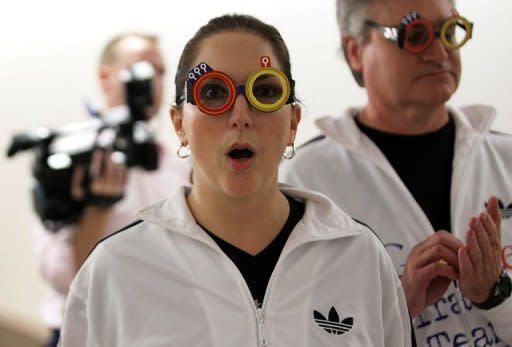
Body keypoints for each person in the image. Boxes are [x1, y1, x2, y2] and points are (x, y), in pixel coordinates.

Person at [58, 14, 411, 346]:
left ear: (293, 122)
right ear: (180, 123)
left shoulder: (358, 256)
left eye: (265, 93)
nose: (241, 116)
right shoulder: (116, 270)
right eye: (213, 93)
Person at [280, 0, 512, 345]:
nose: (439, 51)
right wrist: (395, 305)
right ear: (356, 50)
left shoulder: (507, 159)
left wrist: (497, 295)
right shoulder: (305, 182)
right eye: (414, 33)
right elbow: (289, 332)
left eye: (450, 32)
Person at [35, 32, 191, 347]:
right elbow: (63, 276)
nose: (153, 83)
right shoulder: (72, 161)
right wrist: (97, 209)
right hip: (89, 333)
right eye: (141, 69)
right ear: (106, 78)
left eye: (161, 72)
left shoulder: (179, 163)